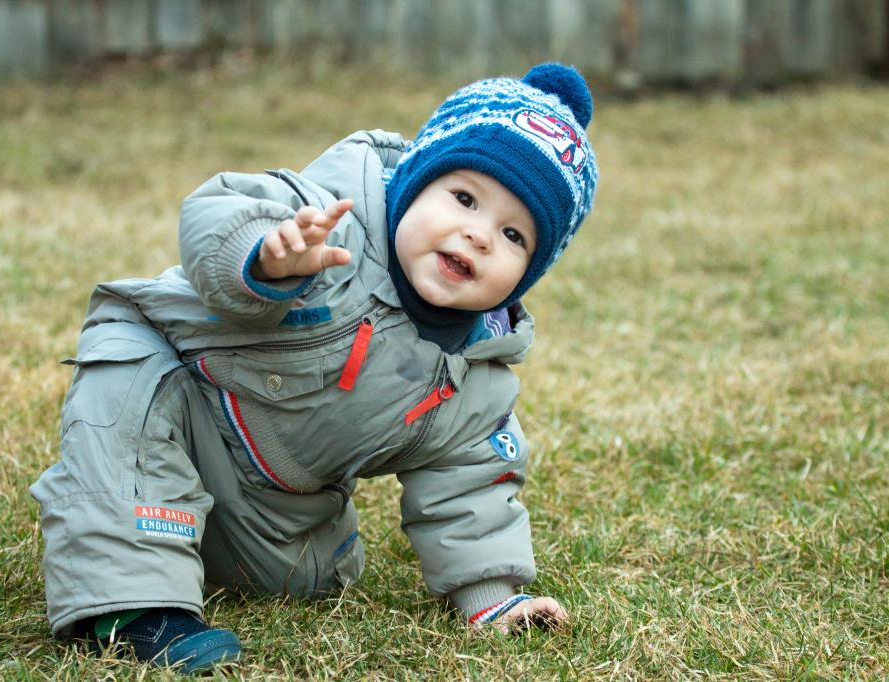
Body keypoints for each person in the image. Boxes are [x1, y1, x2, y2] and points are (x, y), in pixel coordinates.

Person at [30, 62, 598, 673]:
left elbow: (471, 489)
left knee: (303, 581)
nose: (480, 235)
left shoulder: (473, 375)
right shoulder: (329, 221)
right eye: (463, 198)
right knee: (129, 389)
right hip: (185, 386)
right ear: (414, 180)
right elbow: (216, 209)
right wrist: (266, 257)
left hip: (273, 486)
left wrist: (492, 600)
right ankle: (131, 606)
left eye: (514, 235)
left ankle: (189, 544)